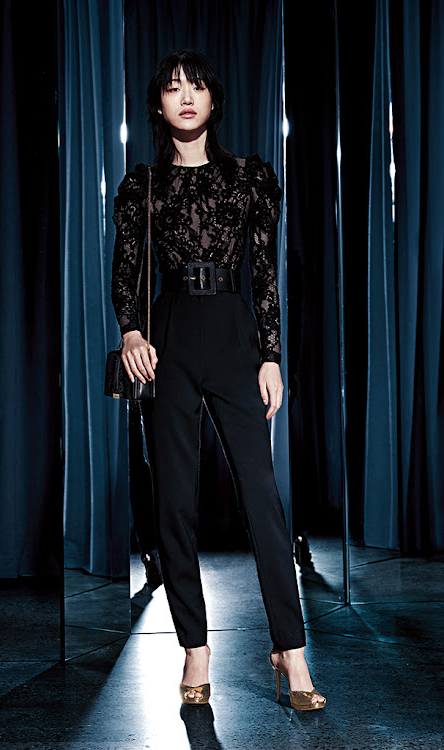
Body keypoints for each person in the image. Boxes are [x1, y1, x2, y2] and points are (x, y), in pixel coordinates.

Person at [110, 49, 325, 710]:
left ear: (212, 101)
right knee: (174, 501)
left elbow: (265, 274)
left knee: (261, 496)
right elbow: (126, 271)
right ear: (158, 105)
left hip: (234, 335)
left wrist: (271, 356)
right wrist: (131, 333)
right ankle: (194, 650)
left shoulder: (248, 177)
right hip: (168, 338)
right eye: (172, 88)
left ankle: (290, 651)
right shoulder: (143, 185)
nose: (185, 97)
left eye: (196, 87)